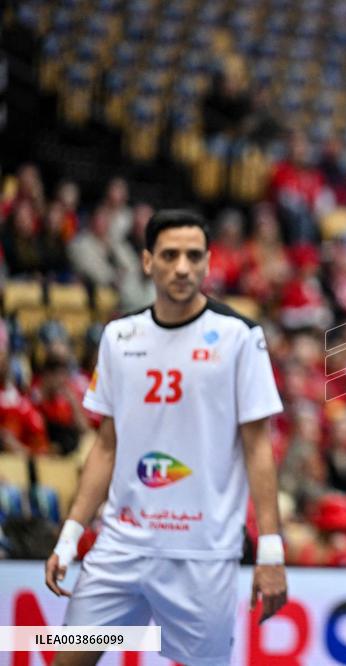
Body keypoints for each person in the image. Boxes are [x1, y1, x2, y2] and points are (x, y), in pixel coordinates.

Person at [44, 210, 287, 666]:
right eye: (170, 255)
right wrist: (69, 536)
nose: (182, 267)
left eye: (193, 256)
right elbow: (106, 446)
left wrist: (271, 551)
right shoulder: (119, 336)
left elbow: (258, 448)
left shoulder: (239, 336)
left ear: (208, 262)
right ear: (147, 261)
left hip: (204, 553)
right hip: (121, 546)